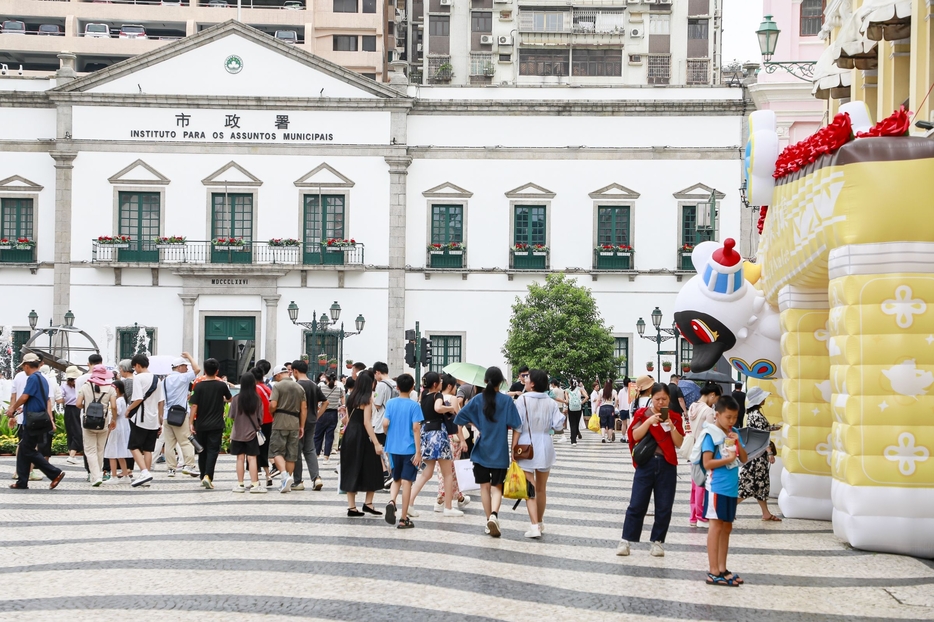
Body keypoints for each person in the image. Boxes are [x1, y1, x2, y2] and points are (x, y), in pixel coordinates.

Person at [617, 383, 685, 558]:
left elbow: (679, 443)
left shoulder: (675, 417)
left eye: (664, 399)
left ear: (669, 399)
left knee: (664, 506)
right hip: (646, 464)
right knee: (637, 503)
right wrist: (649, 421)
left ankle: (658, 542)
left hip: (667, 464)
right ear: (651, 398)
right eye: (657, 399)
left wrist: (671, 426)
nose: (661, 402)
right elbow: (635, 436)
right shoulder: (642, 414)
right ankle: (626, 540)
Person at [453, 366, 521, 538]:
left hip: (481, 451)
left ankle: (487, 521)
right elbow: (517, 426)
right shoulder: (506, 401)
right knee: (496, 487)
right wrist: (514, 448)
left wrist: (476, 425)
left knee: (484, 487)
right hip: (500, 452)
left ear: (485, 381)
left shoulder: (476, 400)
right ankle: (494, 515)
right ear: (502, 383)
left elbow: (459, 418)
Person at [702, 395, 748, 586]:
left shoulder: (734, 432)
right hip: (716, 488)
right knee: (716, 526)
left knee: (727, 527)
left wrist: (738, 442)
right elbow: (707, 463)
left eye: (735, 417)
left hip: (731, 489)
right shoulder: (710, 435)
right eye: (728, 417)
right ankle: (713, 571)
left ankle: (722, 568)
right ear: (718, 415)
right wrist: (727, 460)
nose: (731, 421)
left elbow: (744, 458)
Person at [514, 369, 566, 538]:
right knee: (542, 489)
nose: (525, 379)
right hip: (545, 444)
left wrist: (513, 448)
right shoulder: (550, 402)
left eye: (527, 377)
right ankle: (540, 522)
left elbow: (517, 425)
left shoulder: (522, 400)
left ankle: (534, 525)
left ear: (533, 383)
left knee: (530, 488)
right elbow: (558, 425)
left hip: (526, 445)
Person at [8, 353, 65, 490]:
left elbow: (24, 396)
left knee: (27, 450)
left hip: (33, 420)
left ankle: (54, 472)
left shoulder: (33, 378)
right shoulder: (43, 378)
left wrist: (13, 408)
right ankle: (22, 482)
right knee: (24, 449)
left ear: (27, 366)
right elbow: (41, 400)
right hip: (39, 417)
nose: (24, 370)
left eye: (24, 367)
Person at [409, 372, 463, 516]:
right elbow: (438, 408)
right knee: (447, 474)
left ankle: (409, 503)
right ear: (435, 384)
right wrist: (451, 408)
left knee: (426, 473)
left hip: (426, 433)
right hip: (438, 434)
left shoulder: (424, 396)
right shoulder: (437, 395)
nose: (441, 383)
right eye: (439, 381)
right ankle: (448, 508)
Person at [340, 370, 384, 517]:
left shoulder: (350, 397)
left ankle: (351, 507)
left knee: (351, 467)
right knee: (373, 466)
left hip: (349, 434)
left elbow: (346, 418)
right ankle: (368, 503)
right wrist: (377, 443)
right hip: (361, 435)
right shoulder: (367, 399)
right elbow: (367, 423)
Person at [382, 373, 423, 528]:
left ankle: (392, 501)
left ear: (397, 387)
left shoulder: (391, 403)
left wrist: (389, 435)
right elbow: (416, 428)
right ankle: (403, 518)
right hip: (409, 449)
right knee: (407, 483)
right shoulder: (414, 406)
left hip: (393, 447)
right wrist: (418, 452)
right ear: (412, 387)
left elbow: (385, 423)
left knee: (396, 478)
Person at [738, 387, 782, 522]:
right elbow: (760, 437)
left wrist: (771, 427)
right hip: (757, 458)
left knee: (761, 486)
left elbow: (761, 430)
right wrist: (769, 453)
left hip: (756, 456)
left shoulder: (752, 415)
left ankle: (766, 513)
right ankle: (728, 509)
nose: (765, 399)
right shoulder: (756, 415)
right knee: (748, 485)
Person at [189, 358, 232, 490]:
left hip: (201, 423)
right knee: (213, 450)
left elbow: (194, 405)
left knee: (202, 450)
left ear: (205, 370)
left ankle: (203, 476)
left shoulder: (199, 386)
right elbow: (229, 398)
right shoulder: (221, 385)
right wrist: (222, 399)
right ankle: (208, 476)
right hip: (216, 424)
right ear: (217, 371)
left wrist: (191, 423)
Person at [431, 374, 470, 512]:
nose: (455, 389)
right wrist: (463, 439)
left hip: (440, 438)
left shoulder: (437, 398)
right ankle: (446, 497)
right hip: (453, 438)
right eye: (455, 386)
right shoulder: (453, 399)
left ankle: (447, 496)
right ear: (450, 386)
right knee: (452, 469)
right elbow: (457, 421)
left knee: (441, 470)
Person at [125, 354, 164, 488]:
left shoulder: (138, 378)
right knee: (148, 449)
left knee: (133, 446)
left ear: (137, 365)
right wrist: (160, 418)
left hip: (141, 418)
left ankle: (144, 472)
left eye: (134, 367)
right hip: (153, 418)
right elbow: (161, 401)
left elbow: (138, 398)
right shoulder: (157, 379)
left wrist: (128, 409)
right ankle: (146, 479)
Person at [686, 383, 722, 527]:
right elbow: (711, 432)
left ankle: (693, 516)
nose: (716, 402)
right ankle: (701, 515)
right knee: (702, 483)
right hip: (704, 450)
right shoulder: (708, 411)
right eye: (716, 398)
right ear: (712, 394)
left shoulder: (692, 407)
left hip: (693, 449)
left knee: (694, 484)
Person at [76, 364, 117, 487]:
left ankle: (96, 476)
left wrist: (87, 408)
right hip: (103, 422)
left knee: (90, 450)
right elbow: (114, 406)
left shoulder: (85, 387)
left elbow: (78, 404)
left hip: (88, 422)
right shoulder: (111, 388)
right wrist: (114, 419)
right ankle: (98, 473)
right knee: (100, 449)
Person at [268, 365, 307, 493]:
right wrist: (302, 425)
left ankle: (284, 475)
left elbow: (273, 404)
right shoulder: (299, 387)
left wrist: (272, 411)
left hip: (280, 421)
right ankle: (288, 482)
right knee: (291, 454)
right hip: (295, 422)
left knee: (276, 451)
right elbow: (304, 408)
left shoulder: (277, 387)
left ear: (279, 375)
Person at [161, 354, 199, 478]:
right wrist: (189, 356)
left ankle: (171, 468)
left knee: (169, 444)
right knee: (186, 441)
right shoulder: (182, 378)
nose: (187, 368)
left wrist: (160, 416)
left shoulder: (165, 380)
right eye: (185, 366)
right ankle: (189, 465)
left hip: (167, 414)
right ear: (179, 367)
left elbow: (161, 399)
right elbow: (197, 369)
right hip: (180, 415)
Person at [292, 359, 328, 492]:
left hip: (298, 422)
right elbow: (326, 402)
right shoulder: (313, 385)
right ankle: (316, 477)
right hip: (312, 421)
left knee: (296, 450)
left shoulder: (296, 386)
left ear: (295, 371)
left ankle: (298, 481)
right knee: (310, 449)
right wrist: (317, 415)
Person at [228, 372, 266, 493]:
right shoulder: (257, 399)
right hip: (251, 433)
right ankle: (255, 484)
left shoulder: (236, 399)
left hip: (237, 433)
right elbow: (260, 418)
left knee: (240, 458)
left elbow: (232, 416)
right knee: (252, 458)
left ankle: (240, 484)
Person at [104, 379, 133, 483]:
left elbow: (117, 410)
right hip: (123, 426)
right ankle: (125, 475)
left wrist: (113, 419)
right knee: (120, 452)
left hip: (117, 427)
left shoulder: (117, 401)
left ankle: (114, 476)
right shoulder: (123, 399)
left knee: (112, 451)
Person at [372, 361, 394, 484]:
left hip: (382, 421)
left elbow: (377, 404)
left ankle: (386, 472)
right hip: (393, 420)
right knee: (391, 448)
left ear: (378, 372)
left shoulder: (381, 385)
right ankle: (392, 472)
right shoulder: (395, 384)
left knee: (378, 448)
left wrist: (372, 397)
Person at [251, 367, 274, 486]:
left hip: (257, 423)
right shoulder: (267, 388)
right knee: (264, 449)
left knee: (253, 451)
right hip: (269, 421)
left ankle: (255, 479)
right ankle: (268, 474)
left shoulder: (254, 389)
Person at [315, 373, 344, 463]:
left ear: (326, 379)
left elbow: (317, 400)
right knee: (329, 436)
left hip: (322, 413)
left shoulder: (321, 388)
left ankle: (316, 454)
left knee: (318, 435)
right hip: (333, 413)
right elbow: (343, 401)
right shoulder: (339, 389)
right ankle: (326, 457)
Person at [62, 366, 83, 465]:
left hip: (69, 409)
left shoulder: (64, 386)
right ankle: (72, 455)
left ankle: (72, 454)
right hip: (76, 409)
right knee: (77, 432)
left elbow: (60, 398)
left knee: (72, 431)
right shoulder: (79, 384)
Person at [566, 380, 588, 446]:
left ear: (570, 383)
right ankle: (575, 436)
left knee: (572, 424)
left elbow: (567, 401)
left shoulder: (567, 390)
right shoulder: (580, 389)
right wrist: (581, 402)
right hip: (578, 408)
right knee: (577, 423)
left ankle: (573, 440)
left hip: (571, 408)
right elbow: (587, 397)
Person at [548, 378, 567, 443]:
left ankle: (561, 436)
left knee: (553, 422)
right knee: (557, 422)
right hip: (560, 406)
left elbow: (553, 398)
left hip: (554, 407)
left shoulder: (553, 390)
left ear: (553, 384)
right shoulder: (561, 390)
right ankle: (552, 436)